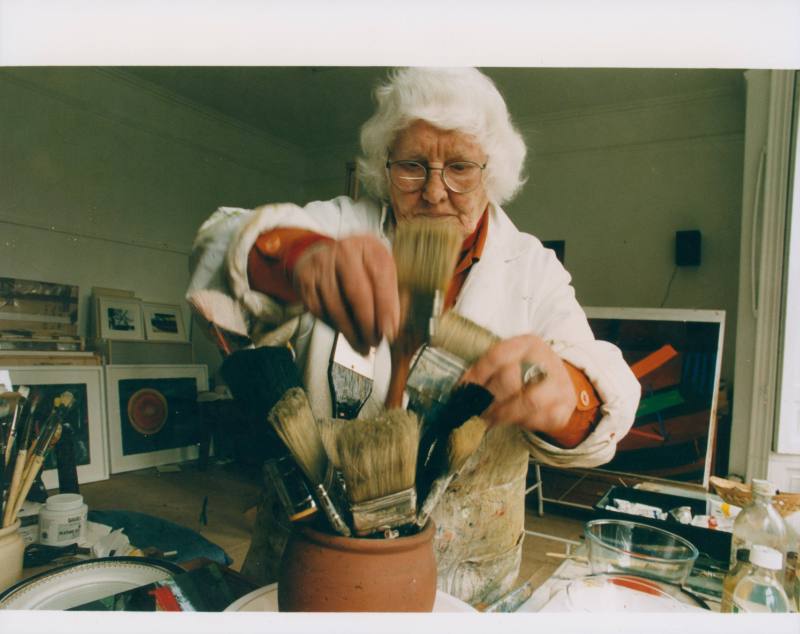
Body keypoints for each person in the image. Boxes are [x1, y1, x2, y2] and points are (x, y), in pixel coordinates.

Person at [187, 67, 640, 606]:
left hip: (466, 585)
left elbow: (601, 398)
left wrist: (568, 396)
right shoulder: (339, 224)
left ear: (490, 173)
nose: (433, 191)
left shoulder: (532, 273)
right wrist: (297, 258)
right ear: (385, 168)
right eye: (412, 166)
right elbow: (217, 250)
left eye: (460, 168)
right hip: (310, 570)